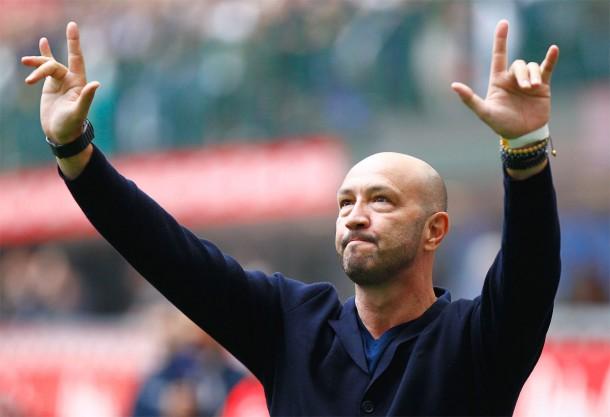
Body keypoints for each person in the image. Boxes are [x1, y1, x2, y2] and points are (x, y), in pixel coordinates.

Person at [22, 19, 560, 416]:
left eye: (381, 200)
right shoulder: (290, 323)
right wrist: (74, 150)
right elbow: (164, 251)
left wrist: (525, 150)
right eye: (345, 202)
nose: (354, 216)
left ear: (434, 231)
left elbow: (531, 268)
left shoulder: (478, 339)